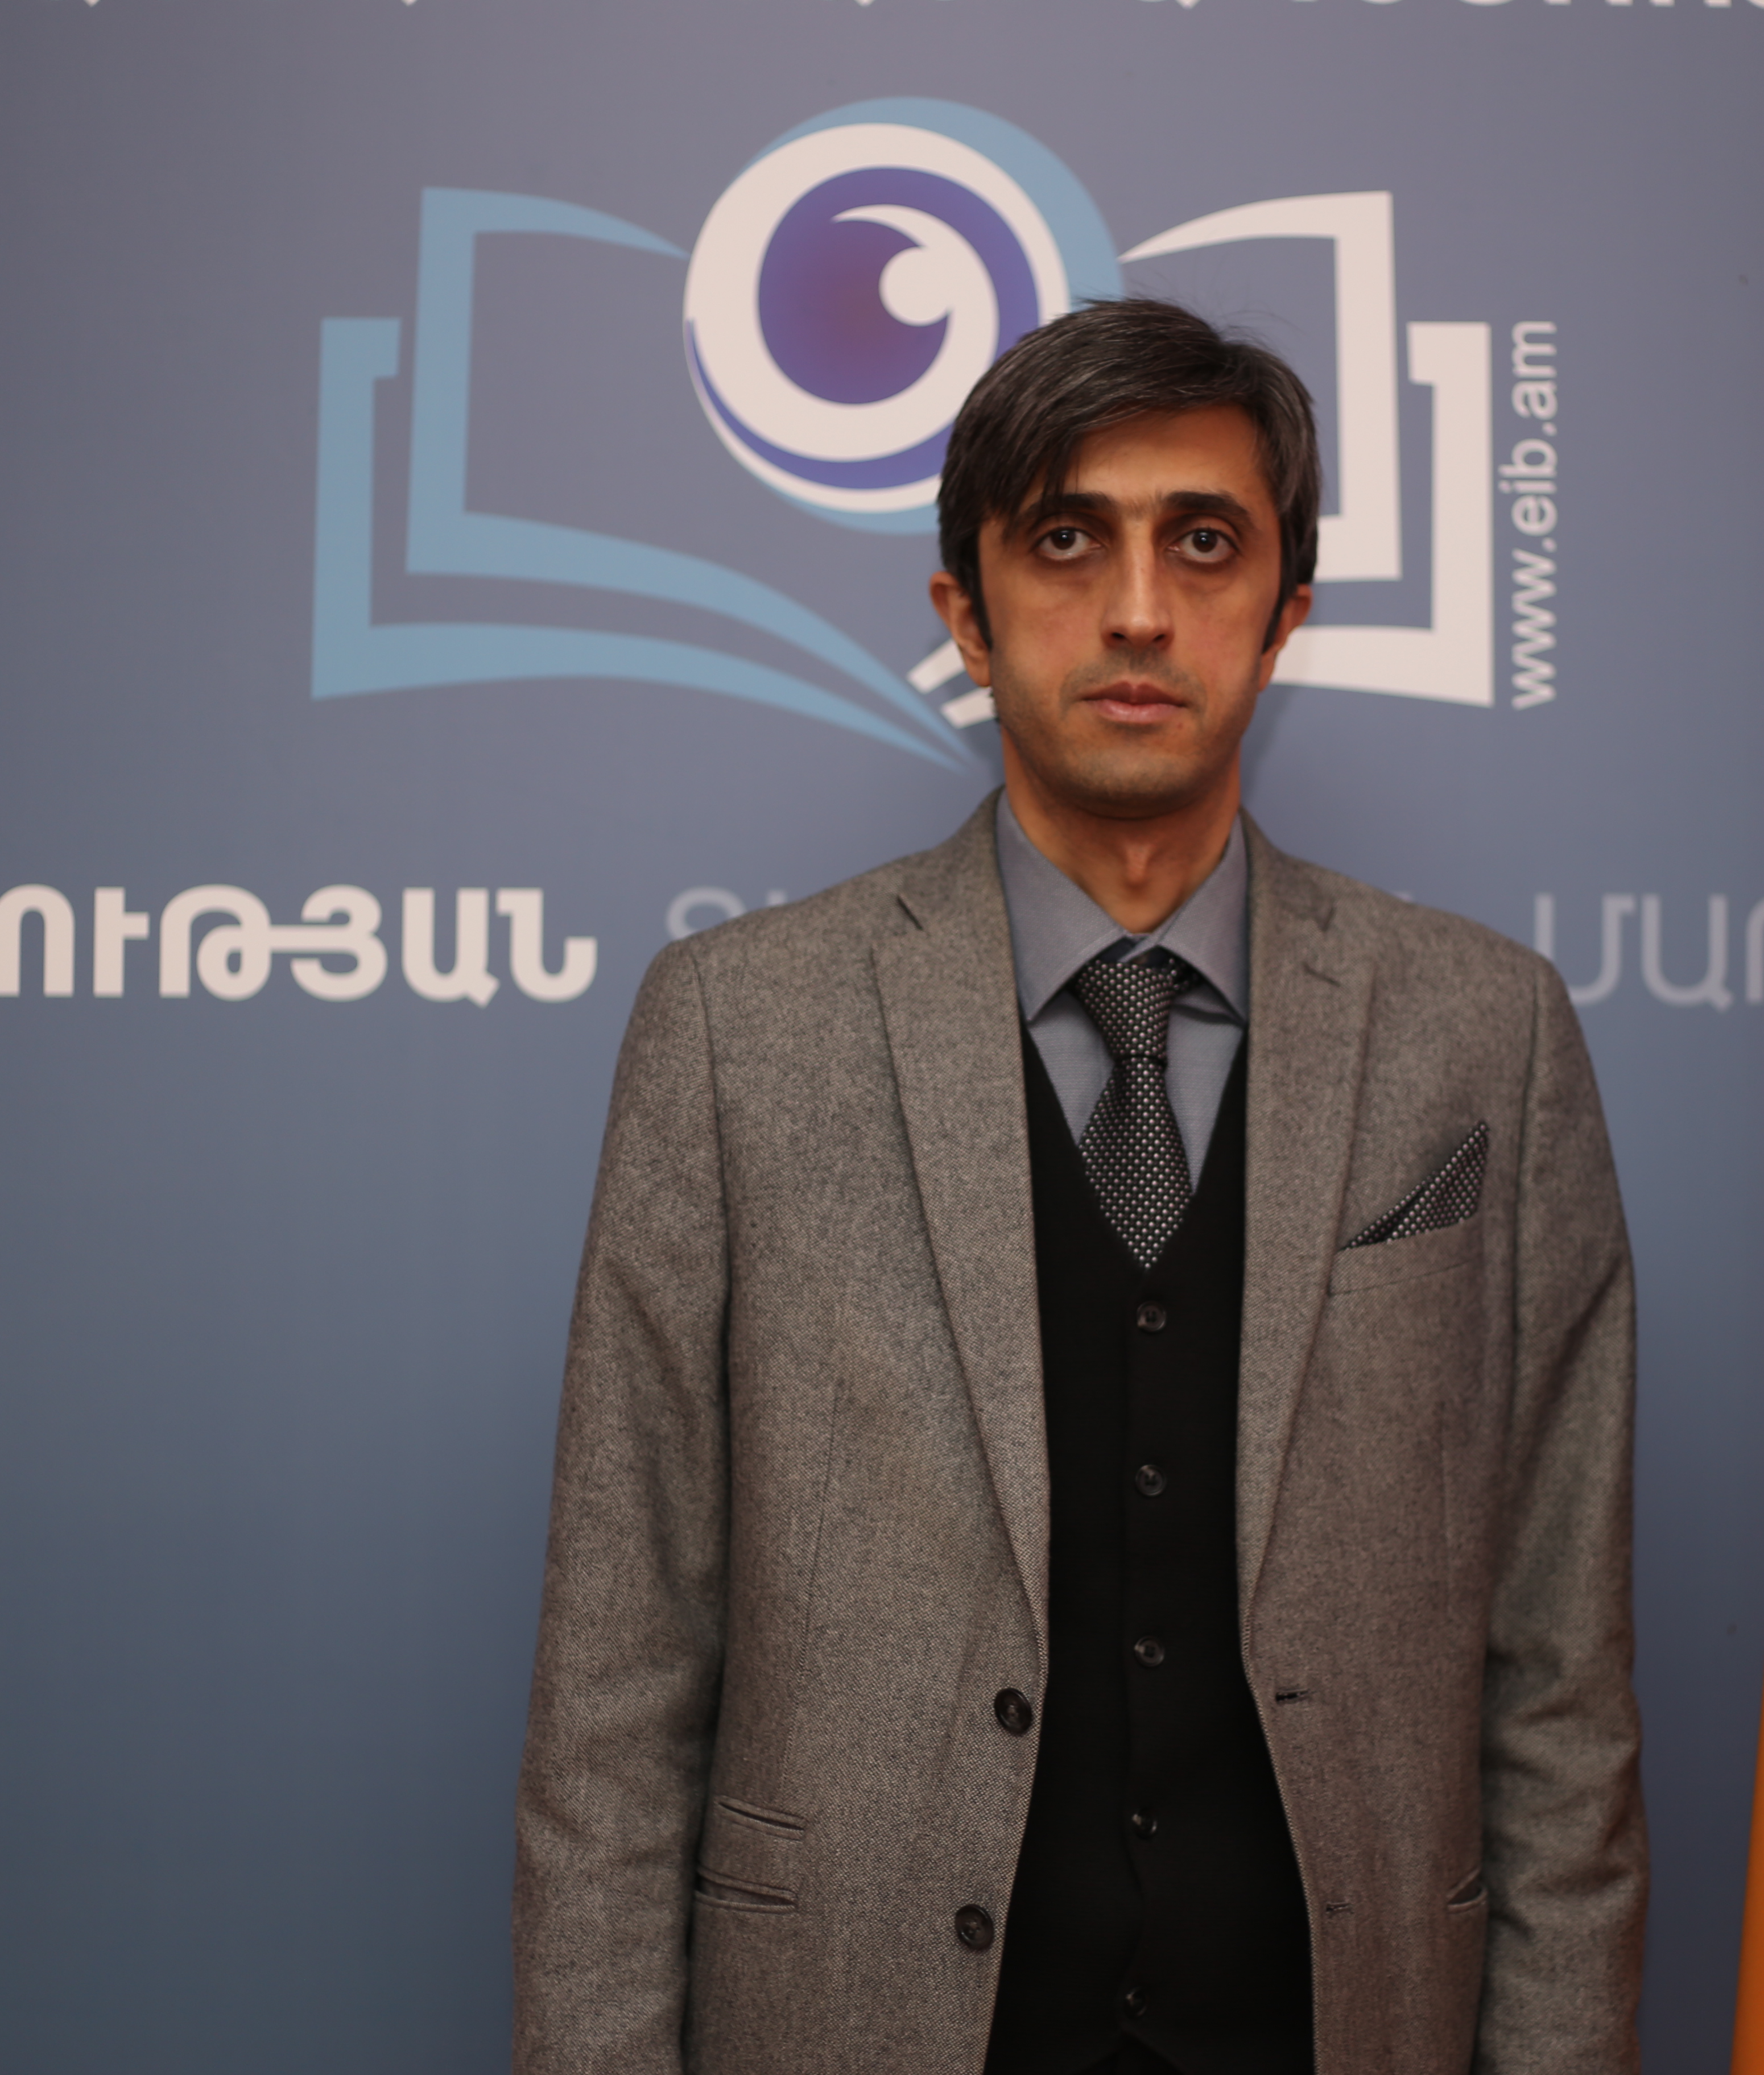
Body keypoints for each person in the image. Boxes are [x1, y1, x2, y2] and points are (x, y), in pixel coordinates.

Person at [513, 299, 1644, 2075]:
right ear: (964, 611)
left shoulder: (1483, 1036)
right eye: (1065, 539)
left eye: (1204, 542)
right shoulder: (737, 1032)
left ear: (1287, 611)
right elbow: (617, 1687)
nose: (1137, 609)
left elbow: (1561, 1693)